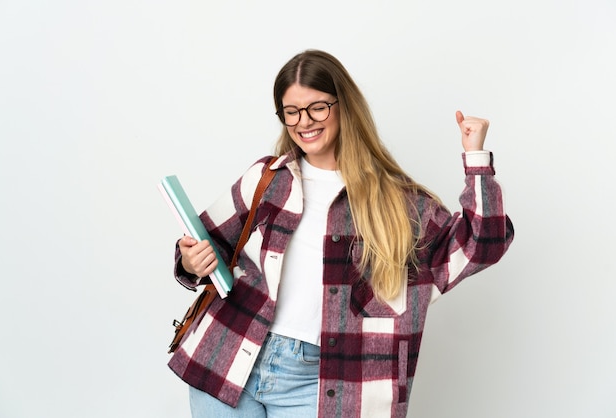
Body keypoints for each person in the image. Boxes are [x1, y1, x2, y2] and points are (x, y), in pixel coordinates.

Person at [167, 49, 514, 418]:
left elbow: (482, 246)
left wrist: (476, 158)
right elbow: (203, 241)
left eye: (317, 107)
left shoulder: (399, 203)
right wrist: (191, 259)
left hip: (325, 382)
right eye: (292, 111)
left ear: (343, 106)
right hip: (230, 355)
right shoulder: (269, 177)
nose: (304, 122)